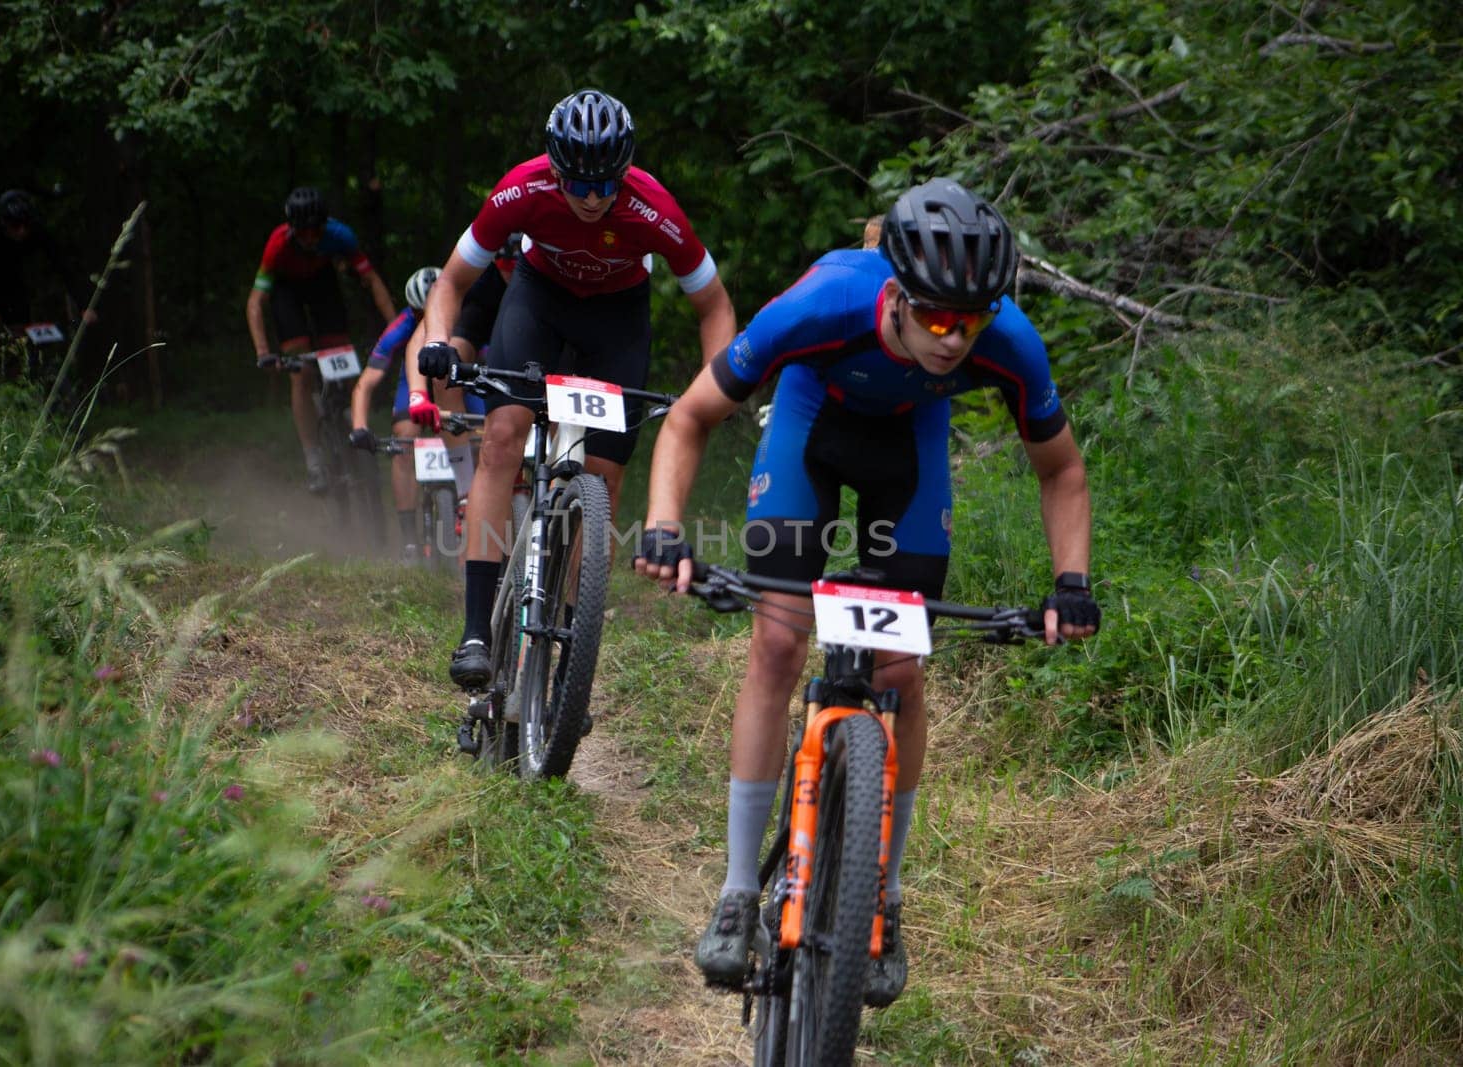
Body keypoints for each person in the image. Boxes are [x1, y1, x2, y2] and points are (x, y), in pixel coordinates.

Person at [634, 178, 1100, 1007]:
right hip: (813, 423)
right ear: (897, 296)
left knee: (900, 669)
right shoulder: (822, 301)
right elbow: (688, 417)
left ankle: (881, 895)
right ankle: (741, 890)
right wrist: (665, 525)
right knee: (778, 641)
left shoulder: (1009, 340)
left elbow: (1060, 470)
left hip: (910, 451)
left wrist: (1072, 583)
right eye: (939, 319)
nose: (957, 339)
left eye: (975, 320)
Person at [412, 87, 736, 688]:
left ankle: (570, 641)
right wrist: (437, 337)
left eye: (605, 185)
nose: (591, 198)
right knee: (502, 436)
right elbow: (452, 281)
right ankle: (476, 630)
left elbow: (713, 305)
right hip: (539, 300)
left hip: (616, 321)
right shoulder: (522, 188)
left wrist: (718, 385)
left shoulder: (652, 207)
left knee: (603, 482)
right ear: (554, 170)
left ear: (625, 172)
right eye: (578, 185)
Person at [247, 186, 398, 493]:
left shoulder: (340, 236)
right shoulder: (278, 245)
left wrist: (395, 326)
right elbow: (256, 302)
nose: (311, 238)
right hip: (286, 292)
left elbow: (371, 280)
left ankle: (347, 416)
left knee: (340, 359)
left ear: (324, 226)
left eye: (316, 231)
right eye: (304, 233)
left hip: (321, 285)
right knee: (300, 372)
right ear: (293, 230)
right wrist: (263, 351)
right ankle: (313, 459)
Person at [347, 266, 484, 553]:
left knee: (481, 434)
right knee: (404, 438)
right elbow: (366, 383)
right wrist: (359, 428)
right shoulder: (402, 326)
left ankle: (483, 512)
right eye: (420, 315)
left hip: (460, 377)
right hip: (413, 380)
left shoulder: (471, 318)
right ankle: (410, 537)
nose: (428, 321)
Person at [0, 189, 98, 342]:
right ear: (4, 222)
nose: (21, 231)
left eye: (25, 225)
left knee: (19, 335)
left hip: (15, 289)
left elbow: (64, 266)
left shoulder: (37, 232)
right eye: (15, 226)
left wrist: (84, 305)